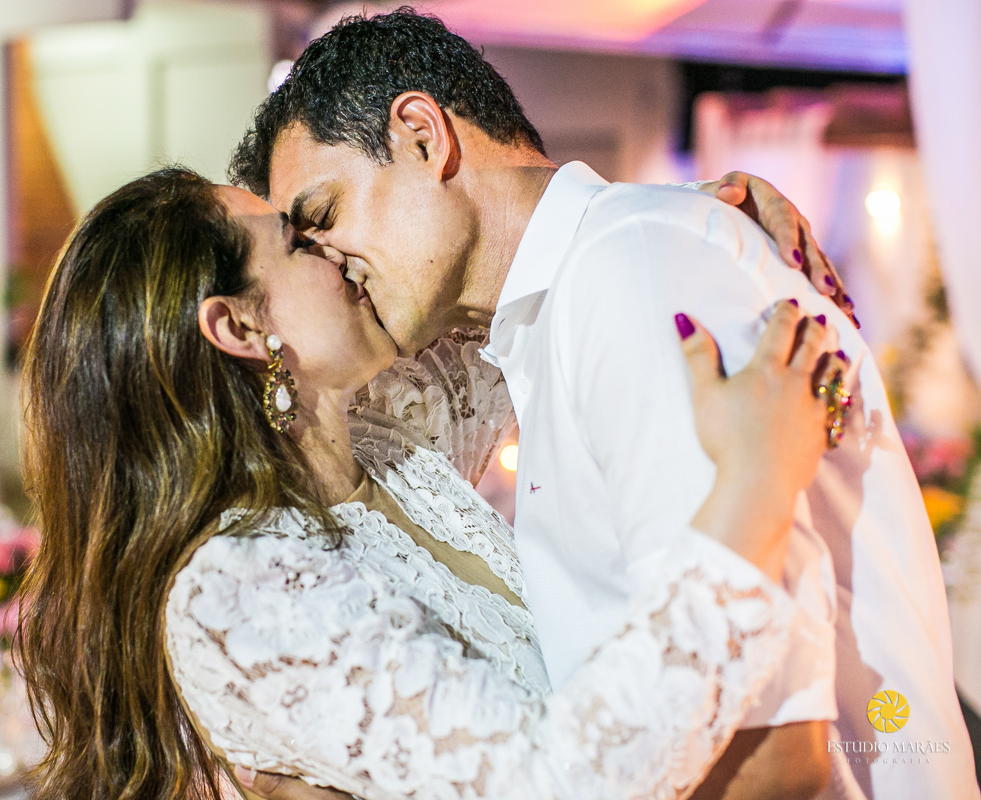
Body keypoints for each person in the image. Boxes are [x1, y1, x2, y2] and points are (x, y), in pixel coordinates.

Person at [227, 9, 979, 800]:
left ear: (422, 135)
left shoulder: (631, 272)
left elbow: (767, 756)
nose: (329, 266)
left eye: (322, 217)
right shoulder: (573, 299)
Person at [18, 166, 847, 800]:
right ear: (238, 324)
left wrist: (689, 220)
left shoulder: (388, 432)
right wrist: (755, 484)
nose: (335, 250)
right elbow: (553, 783)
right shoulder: (237, 590)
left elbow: (527, 265)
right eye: (298, 240)